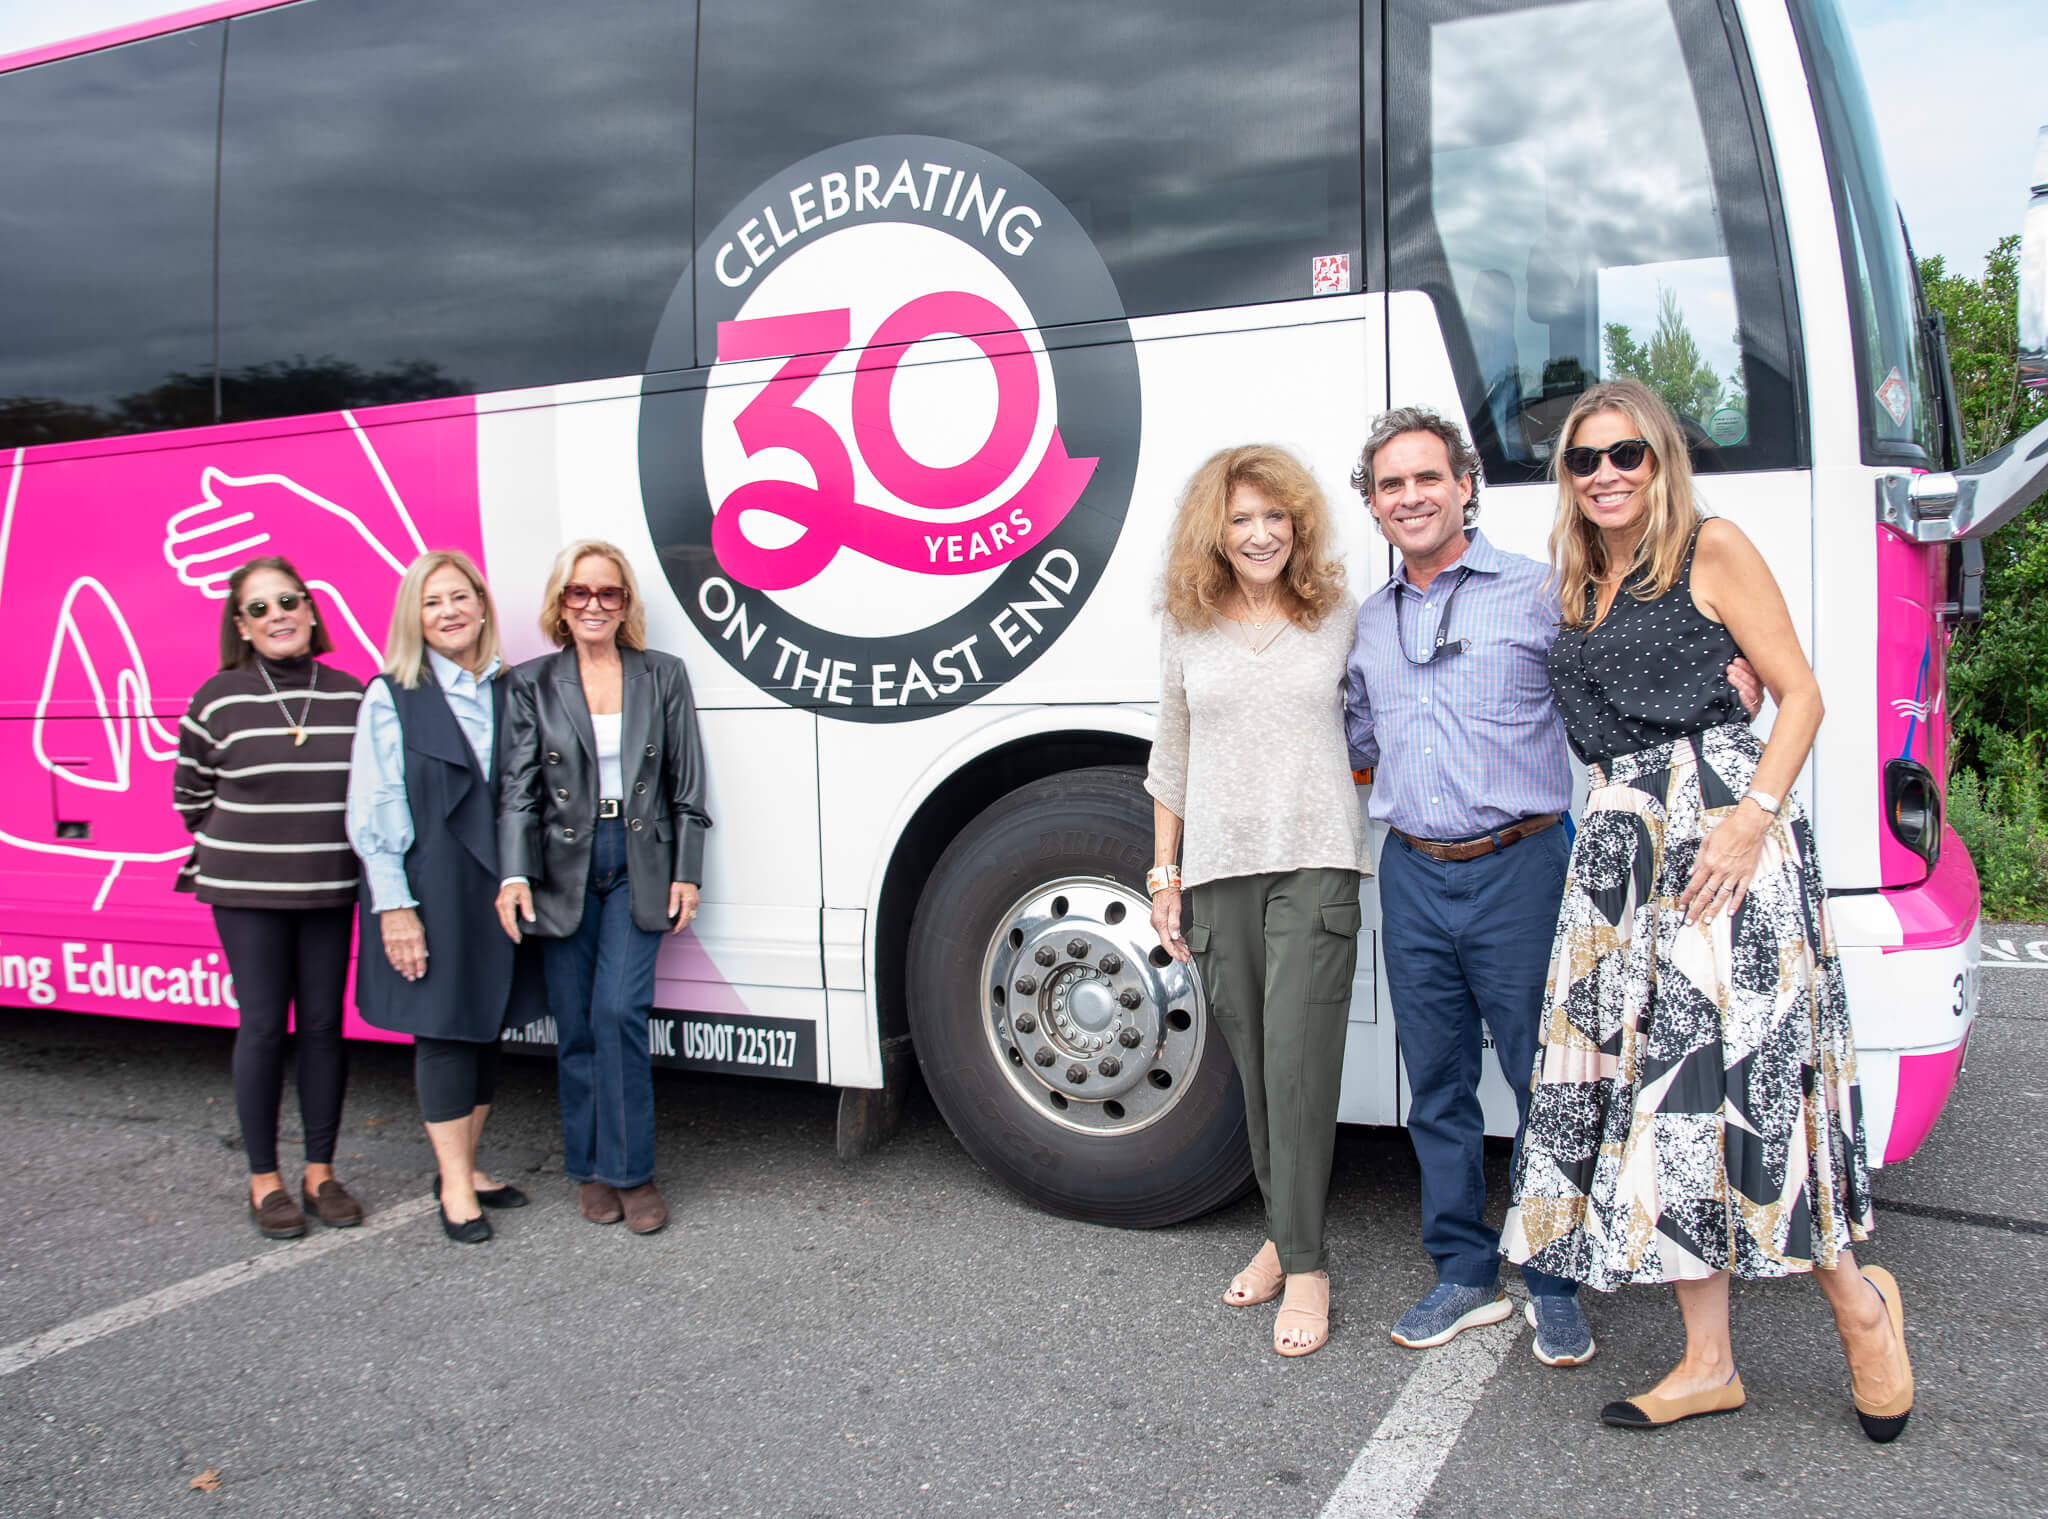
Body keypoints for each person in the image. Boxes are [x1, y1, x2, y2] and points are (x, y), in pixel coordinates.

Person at [1499, 379, 1913, 1440]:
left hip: (1723, 836)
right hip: (1623, 855)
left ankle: (1858, 1306)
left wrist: (1748, 817)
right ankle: (1706, 1362)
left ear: (1659, 460)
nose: (1604, 474)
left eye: (1624, 454)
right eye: (1583, 459)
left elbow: (1800, 692)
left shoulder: (1708, 546)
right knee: (1663, 1096)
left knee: (1756, 1078)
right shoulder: (1579, 577)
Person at [1342, 406, 1760, 1366]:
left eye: (1427, 478)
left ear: (1464, 485)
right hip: (1411, 871)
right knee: (1436, 1083)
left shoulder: (1543, 595)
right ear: (1373, 505)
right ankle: (1460, 1268)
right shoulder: (1368, 624)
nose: (1411, 497)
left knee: (1551, 1081)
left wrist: (1727, 692)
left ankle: (1556, 1273)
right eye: (1391, 484)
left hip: (1526, 865)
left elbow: (1626, 682)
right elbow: (1359, 741)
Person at [1147, 445, 1371, 1358]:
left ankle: (1309, 1264)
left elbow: (1394, 706)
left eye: (1275, 516)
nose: (1260, 533)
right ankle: (1284, 1234)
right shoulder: (1185, 625)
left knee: (1300, 1067)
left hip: (1316, 859)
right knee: (1255, 1063)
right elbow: (1172, 752)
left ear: (1300, 524)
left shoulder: (1339, 614)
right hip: (1218, 869)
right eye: (1241, 518)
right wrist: (1164, 872)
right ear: (1215, 531)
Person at [495, 540, 710, 1236]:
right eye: (579, 593)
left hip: (638, 861)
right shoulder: (531, 683)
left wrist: (688, 870)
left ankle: (632, 1171)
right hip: (562, 866)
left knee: (619, 1009)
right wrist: (512, 873)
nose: (593, 604)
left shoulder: (662, 675)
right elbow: (518, 794)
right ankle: (589, 1167)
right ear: (562, 604)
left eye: (608, 593)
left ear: (625, 605)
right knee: (578, 1022)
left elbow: (688, 785)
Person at [347, 550, 547, 1244]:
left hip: (496, 886)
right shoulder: (391, 694)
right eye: (433, 602)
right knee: (443, 1031)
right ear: (415, 616)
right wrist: (394, 905)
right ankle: (455, 1182)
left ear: (483, 607)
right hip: (430, 889)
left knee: (486, 1024)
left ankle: (466, 1163)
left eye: (460, 597)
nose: (450, 611)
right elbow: (375, 807)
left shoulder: (509, 690)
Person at [173, 556, 366, 1239]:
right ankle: (264, 1179)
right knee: (261, 1025)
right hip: (247, 890)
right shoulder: (217, 697)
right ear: (242, 627)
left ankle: (320, 1170)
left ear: (311, 611)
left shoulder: (351, 693)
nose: (277, 614)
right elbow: (189, 797)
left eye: (288, 600)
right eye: (259, 608)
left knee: (321, 1026)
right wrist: (248, 846)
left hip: (328, 884)